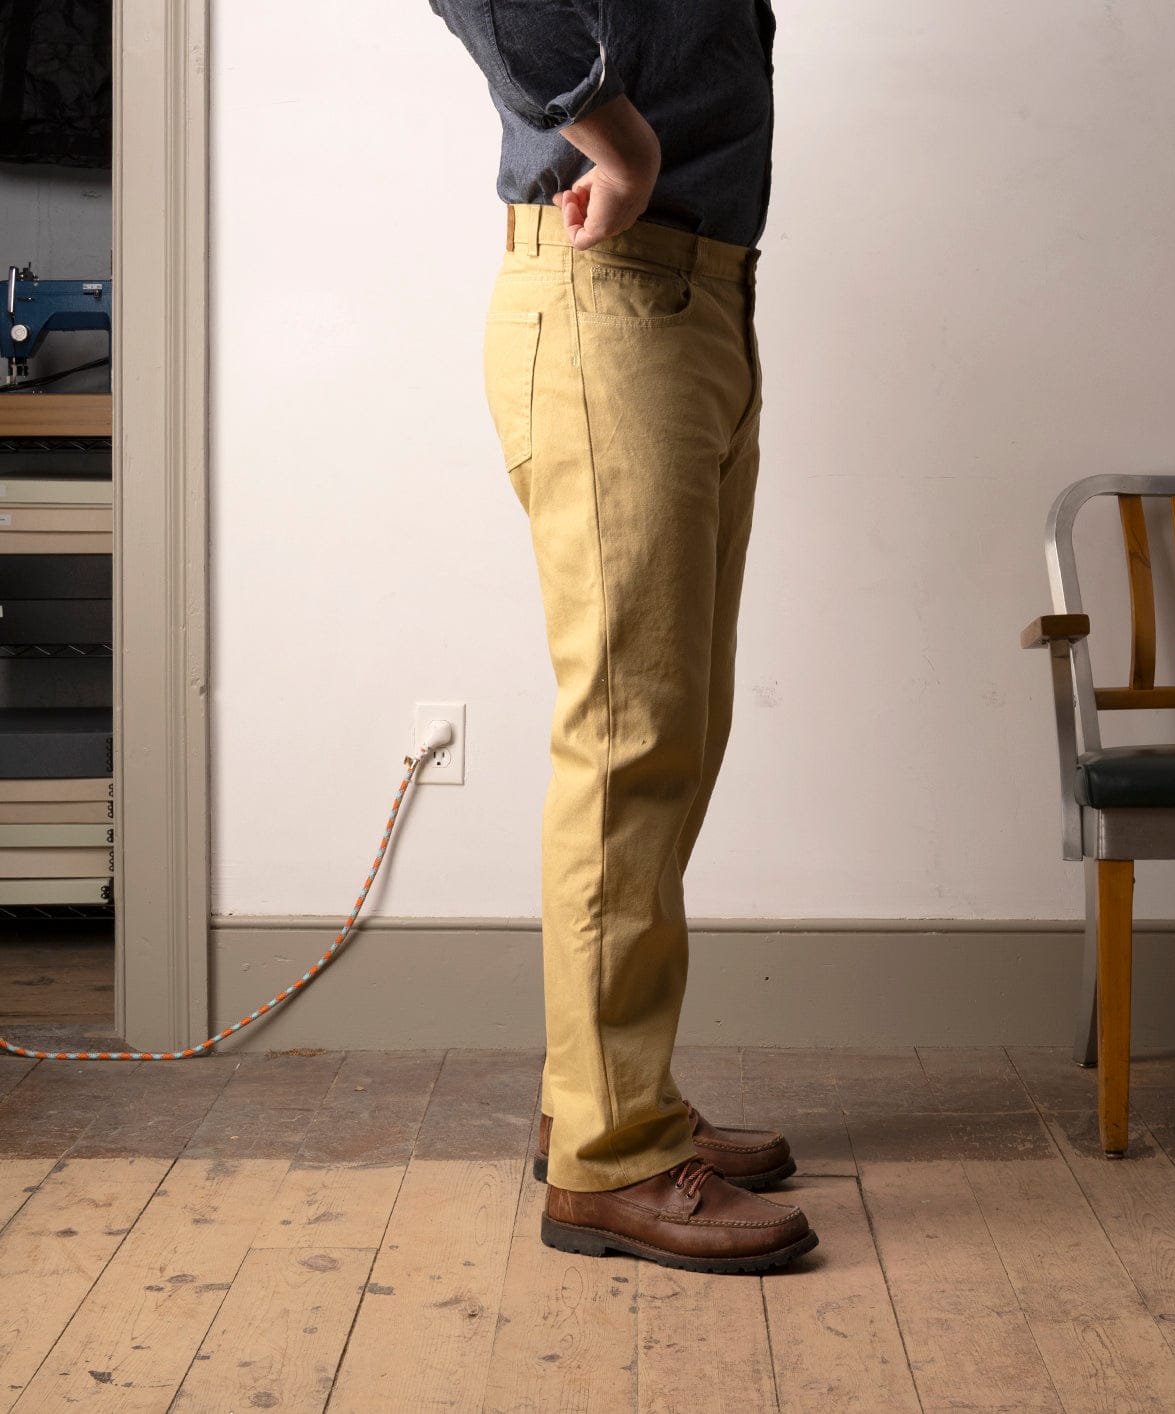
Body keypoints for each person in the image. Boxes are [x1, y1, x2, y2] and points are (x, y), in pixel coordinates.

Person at [429, 0, 818, 1274]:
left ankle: (601, 1094)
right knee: (629, 734)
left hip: (699, 294)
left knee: (677, 725)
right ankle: (611, 1158)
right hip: (612, 280)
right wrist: (626, 147)